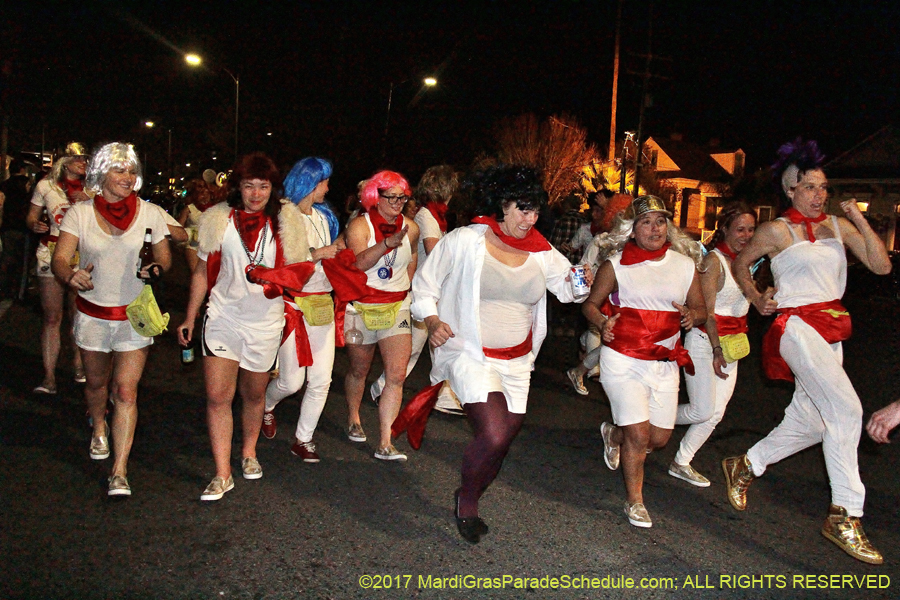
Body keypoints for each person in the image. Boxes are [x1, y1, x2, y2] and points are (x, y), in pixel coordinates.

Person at [723, 139, 891, 564]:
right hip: (796, 327)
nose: (820, 194)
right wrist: (756, 297)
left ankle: (746, 463)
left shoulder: (838, 226)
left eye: (824, 187)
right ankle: (845, 513)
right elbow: (742, 263)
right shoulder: (776, 230)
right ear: (791, 189)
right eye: (811, 186)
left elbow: (881, 266)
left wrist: (857, 216)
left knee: (814, 422)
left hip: (831, 330)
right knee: (846, 411)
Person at [411, 164, 585, 543]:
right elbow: (423, 288)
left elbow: (570, 290)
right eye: (523, 209)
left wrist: (584, 277)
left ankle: (468, 491)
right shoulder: (464, 240)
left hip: (519, 362)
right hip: (469, 352)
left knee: (503, 439)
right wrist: (433, 319)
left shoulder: (541, 250)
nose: (530, 218)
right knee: (492, 434)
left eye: (536, 210)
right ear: (502, 205)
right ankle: (468, 502)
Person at [177, 153, 307, 501]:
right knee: (218, 396)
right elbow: (202, 272)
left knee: (253, 395)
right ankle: (222, 472)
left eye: (263, 186)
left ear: (272, 188)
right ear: (238, 187)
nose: (255, 193)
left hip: (265, 323)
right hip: (223, 317)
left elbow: (299, 269)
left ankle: (248, 451)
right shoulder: (218, 219)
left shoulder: (286, 221)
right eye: (249, 186)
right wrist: (190, 316)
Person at [51, 142, 173, 497]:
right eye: (119, 170)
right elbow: (61, 258)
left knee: (125, 390)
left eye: (131, 171)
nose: (127, 177)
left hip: (133, 316)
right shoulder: (81, 213)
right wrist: (70, 274)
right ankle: (99, 426)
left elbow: (165, 258)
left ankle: (119, 471)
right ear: (102, 173)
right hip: (92, 315)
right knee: (96, 385)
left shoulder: (150, 213)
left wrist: (156, 267)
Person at [582, 195, 705, 528]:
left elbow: (701, 308)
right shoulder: (617, 264)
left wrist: (693, 316)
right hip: (622, 360)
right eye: (646, 222)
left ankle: (614, 434)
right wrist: (602, 322)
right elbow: (590, 305)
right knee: (639, 435)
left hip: (665, 363)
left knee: (658, 439)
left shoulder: (684, 266)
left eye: (661, 221)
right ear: (632, 229)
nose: (655, 228)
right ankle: (635, 501)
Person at [261, 157, 344, 462]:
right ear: (310, 182)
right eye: (324, 181)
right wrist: (318, 253)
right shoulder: (284, 216)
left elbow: (332, 259)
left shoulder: (324, 217)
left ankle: (303, 439)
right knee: (290, 382)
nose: (327, 187)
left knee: (322, 379)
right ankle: (266, 406)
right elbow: (279, 265)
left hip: (322, 304)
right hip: (292, 305)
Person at [669, 202, 756, 486]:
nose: (745, 235)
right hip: (705, 343)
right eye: (740, 229)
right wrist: (717, 350)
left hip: (733, 346)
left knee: (715, 412)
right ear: (725, 230)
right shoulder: (714, 262)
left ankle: (681, 461)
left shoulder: (748, 263)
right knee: (700, 410)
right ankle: (643, 422)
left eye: (751, 230)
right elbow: (705, 313)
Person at [370, 165, 463, 415]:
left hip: (430, 292)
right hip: (421, 293)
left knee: (438, 345)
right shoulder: (427, 217)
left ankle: (443, 394)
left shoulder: (436, 216)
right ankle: (382, 388)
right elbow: (434, 252)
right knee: (414, 347)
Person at [343, 170, 419, 461]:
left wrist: (402, 285)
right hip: (361, 307)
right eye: (392, 197)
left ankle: (385, 441)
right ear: (376, 196)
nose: (399, 202)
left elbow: (411, 258)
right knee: (359, 370)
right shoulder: (360, 227)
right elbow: (359, 264)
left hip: (396, 306)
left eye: (403, 197)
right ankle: (353, 416)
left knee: (396, 375)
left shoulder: (410, 228)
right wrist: (386, 244)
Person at [27, 143, 91, 394]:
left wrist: (91, 201)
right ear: (63, 161)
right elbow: (32, 215)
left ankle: (78, 365)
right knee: (52, 317)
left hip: (81, 256)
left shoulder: (94, 188)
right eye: (77, 159)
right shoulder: (46, 186)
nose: (83, 163)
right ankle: (49, 377)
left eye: (85, 159)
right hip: (51, 253)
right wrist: (35, 224)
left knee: (79, 315)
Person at [565, 192, 634, 394]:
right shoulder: (600, 240)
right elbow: (581, 267)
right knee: (610, 338)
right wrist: (582, 292)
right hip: (600, 298)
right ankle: (593, 371)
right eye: (619, 214)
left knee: (617, 341)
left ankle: (581, 369)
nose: (623, 219)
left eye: (628, 214)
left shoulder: (636, 243)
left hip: (625, 301)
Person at [0, 159, 33, 299]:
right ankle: (20, 292)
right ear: (21, 169)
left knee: (7, 258)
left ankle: (4, 288)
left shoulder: (4, 185)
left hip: (7, 226)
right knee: (23, 261)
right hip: (23, 226)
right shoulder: (26, 183)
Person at [177, 178, 218, 274]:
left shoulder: (215, 209)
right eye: (202, 194)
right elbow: (179, 228)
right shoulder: (189, 208)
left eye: (207, 194)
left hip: (210, 245)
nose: (205, 196)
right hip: (193, 245)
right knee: (197, 273)